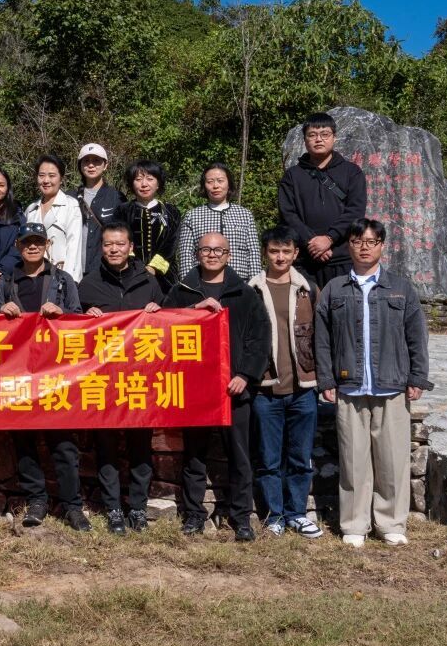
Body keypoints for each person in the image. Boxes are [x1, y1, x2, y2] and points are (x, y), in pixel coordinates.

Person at [316, 218, 431, 548]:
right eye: (357, 241)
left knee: (392, 460)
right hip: (349, 386)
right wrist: (326, 378)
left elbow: (416, 336)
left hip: (391, 385)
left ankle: (391, 522)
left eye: (371, 242)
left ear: (382, 246)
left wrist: (417, 377)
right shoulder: (335, 289)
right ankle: (355, 524)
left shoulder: (400, 288)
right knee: (353, 460)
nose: (364, 247)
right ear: (349, 245)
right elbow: (322, 340)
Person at [164, 232, 270, 542]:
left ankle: (241, 517)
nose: (212, 255)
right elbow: (164, 330)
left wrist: (246, 375)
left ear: (228, 255)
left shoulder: (245, 294)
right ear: (197, 253)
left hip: (233, 390)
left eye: (219, 250)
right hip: (194, 390)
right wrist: (195, 309)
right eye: (206, 249)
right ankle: (194, 514)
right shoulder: (181, 291)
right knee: (194, 455)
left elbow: (260, 339)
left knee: (239, 455)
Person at [0, 222, 89, 531]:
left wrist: (62, 314)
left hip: (56, 373)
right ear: (18, 246)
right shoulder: (7, 281)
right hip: (19, 373)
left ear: (47, 245)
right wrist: (1, 309)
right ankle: (37, 500)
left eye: (38, 242)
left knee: (63, 443)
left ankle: (72, 506)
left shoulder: (63, 280)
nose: (32, 247)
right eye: (26, 242)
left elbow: (79, 319)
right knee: (25, 441)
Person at [76, 222, 164, 535]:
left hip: (141, 379)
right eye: (108, 244)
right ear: (101, 248)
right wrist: (85, 318)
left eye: (120, 244)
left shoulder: (149, 282)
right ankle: (113, 508)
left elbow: (170, 324)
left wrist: (158, 310)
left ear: (130, 247)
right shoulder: (88, 284)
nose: (114, 249)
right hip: (104, 380)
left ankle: (137, 508)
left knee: (141, 446)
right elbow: (72, 331)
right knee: (107, 447)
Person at [249, 225, 322, 539]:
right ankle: (274, 515)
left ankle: (297, 513)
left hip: (303, 388)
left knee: (300, 458)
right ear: (265, 253)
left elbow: (322, 337)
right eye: (274, 251)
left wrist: (325, 379)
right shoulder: (251, 290)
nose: (280, 257)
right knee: (268, 460)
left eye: (286, 251)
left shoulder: (309, 289)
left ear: (296, 253)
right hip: (265, 388)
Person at [278, 112, 367, 288]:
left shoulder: (352, 172)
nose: (318, 139)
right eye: (312, 135)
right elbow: (287, 214)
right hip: (304, 261)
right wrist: (312, 242)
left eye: (324, 134)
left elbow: (355, 211)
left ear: (334, 137)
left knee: (343, 305)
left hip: (343, 259)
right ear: (305, 140)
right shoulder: (292, 176)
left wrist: (329, 238)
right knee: (306, 306)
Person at [177, 162, 262, 281]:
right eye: (210, 181)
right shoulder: (192, 216)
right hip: (203, 282)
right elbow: (186, 254)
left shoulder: (245, 214)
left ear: (229, 184)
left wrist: (255, 284)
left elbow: (253, 253)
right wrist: (188, 284)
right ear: (204, 186)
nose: (215, 186)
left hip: (240, 281)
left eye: (220, 181)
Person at [116, 160, 181, 291]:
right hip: (130, 274)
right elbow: (119, 241)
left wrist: (153, 267)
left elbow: (171, 243)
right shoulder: (122, 211)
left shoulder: (170, 211)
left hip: (165, 277)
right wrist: (136, 267)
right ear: (132, 183)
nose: (144, 184)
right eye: (138, 179)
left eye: (150, 179)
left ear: (158, 183)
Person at [24, 154, 83, 283]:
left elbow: (74, 247)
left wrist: (69, 283)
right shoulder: (31, 210)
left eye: (52, 176)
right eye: (41, 175)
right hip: (34, 279)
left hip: (61, 278)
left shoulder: (71, 206)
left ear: (61, 179)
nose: (46, 180)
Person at [70, 142, 125, 277]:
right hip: (73, 269)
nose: (91, 165)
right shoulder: (69, 197)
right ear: (80, 165)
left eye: (96, 161)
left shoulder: (116, 197)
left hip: (104, 270)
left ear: (105, 165)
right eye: (86, 161)